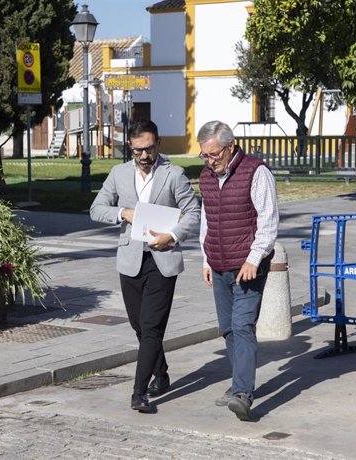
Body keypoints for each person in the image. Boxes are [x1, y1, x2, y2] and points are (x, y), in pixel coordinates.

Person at [90, 119, 201, 413]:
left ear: (158, 144)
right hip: (130, 261)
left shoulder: (174, 174)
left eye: (149, 149)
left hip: (162, 261)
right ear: (130, 146)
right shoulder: (119, 174)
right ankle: (161, 374)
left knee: (152, 327)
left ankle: (139, 393)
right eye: (138, 150)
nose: (144, 155)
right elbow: (96, 209)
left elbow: (193, 213)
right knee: (140, 327)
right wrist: (122, 212)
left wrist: (173, 235)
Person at [197, 120, 279, 421]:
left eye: (214, 154)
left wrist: (254, 259)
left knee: (243, 325)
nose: (209, 161)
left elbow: (268, 221)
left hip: (247, 266)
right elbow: (207, 220)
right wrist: (205, 260)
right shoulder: (205, 177)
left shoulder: (257, 172)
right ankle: (237, 385)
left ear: (231, 146)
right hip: (218, 264)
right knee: (228, 328)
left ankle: (243, 394)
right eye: (204, 156)